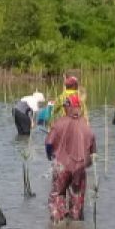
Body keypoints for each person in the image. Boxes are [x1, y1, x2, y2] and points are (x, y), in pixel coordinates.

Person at [46, 94, 97, 222]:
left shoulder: (59, 123)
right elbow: (92, 153)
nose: (64, 109)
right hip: (79, 168)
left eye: (65, 106)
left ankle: (58, 228)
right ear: (78, 108)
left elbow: (48, 143)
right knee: (77, 200)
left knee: (57, 195)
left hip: (61, 166)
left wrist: (50, 155)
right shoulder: (87, 127)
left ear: (69, 107)